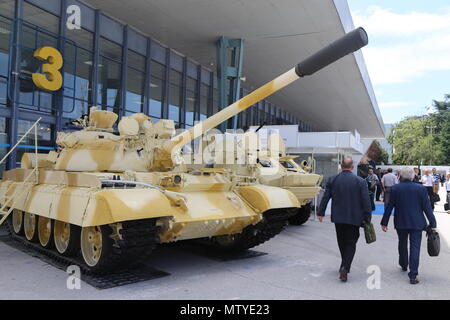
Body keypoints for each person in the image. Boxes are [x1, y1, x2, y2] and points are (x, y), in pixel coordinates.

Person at [318, 157, 372, 282]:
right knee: (351, 243)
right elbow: (366, 202)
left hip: (338, 217)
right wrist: (367, 218)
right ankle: (345, 267)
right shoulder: (360, 181)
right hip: (354, 218)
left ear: (341, 167)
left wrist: (321, 213)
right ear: (352, 167)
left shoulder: (333, 180)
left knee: (342, 241)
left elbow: (326, 197)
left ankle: (344, 264)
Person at [381, 167, 437, 284]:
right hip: (417, 223)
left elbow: (390, 206)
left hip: (401, 222)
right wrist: (432, 223)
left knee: (402, 243)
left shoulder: (396, 188)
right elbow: (427, 208)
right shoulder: (421, 189)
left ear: (401, 176)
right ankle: (413, 275)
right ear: (412, 176)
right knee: (415, 247)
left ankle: (403, 264)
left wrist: (384, 222)